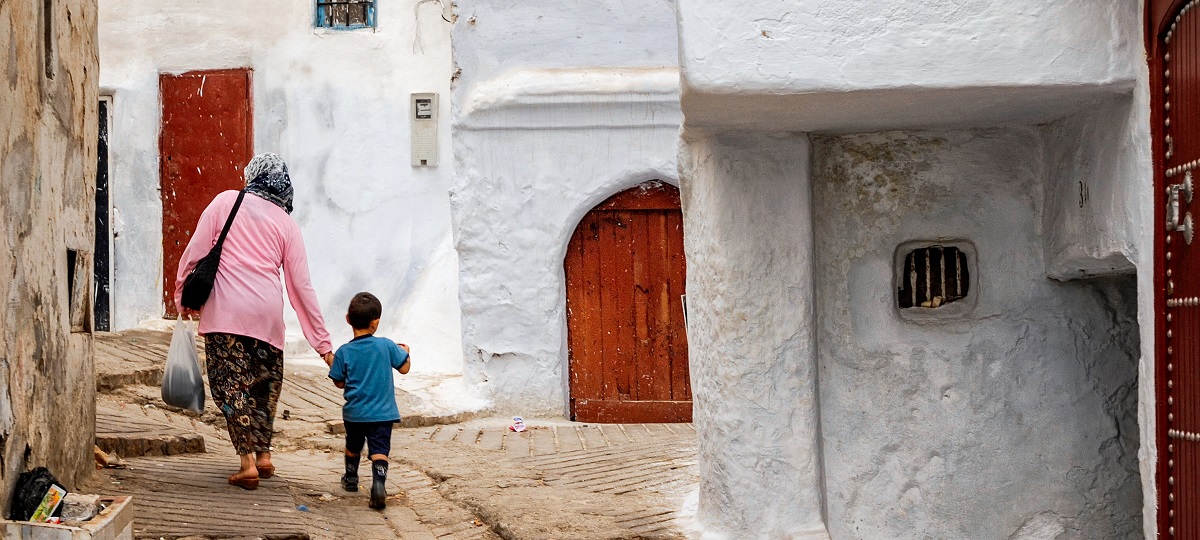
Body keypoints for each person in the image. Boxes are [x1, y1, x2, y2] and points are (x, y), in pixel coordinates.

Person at [173, 153, 333, 490]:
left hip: (227, 315)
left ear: (253, 176)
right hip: (268, 316)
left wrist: (181, 295)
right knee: (263, 387)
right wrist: (323, 345)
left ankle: (247, 464)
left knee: (231, 385)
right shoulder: (287, 225)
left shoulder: (226, 202)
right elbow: (301, 287)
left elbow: (196, 252)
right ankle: (264, 456)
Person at [327, 292, 411, 509]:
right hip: (383, 414)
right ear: (376, 322)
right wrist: (406, 352)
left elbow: (338, 382)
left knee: (353, 446)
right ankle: (379, 484)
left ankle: (351, 478)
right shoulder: (386, 345)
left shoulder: (344, 352)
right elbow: (404, 368)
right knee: (380, 450)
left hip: (355, 413)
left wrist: (334, 364)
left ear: (348, 319)